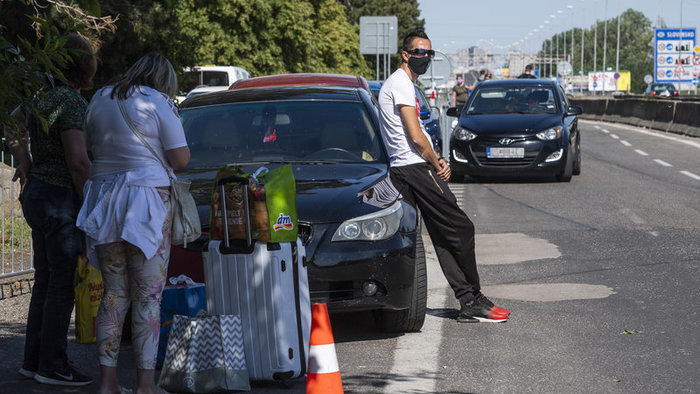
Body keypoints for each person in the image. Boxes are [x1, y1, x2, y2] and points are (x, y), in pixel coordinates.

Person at [377, 30, 510, 323]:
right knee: (461, 228)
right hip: (413, 167)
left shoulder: (404, 84)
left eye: (429, 53)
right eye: (419, 52)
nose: (424, 57)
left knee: (441, 233)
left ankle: (468, 300)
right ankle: (473, 296)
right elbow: (415, 136)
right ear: (406, 54)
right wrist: (435, 161)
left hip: (409, 167)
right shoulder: (400, 84)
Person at [76, 53, 190, 394]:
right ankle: (145, 385)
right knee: (147, 297)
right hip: (147, 205)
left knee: (113, 295)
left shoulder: (99, 98)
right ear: (163, 80)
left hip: (104, 201)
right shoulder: (157, 101)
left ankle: (107, 383)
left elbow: (91, 148)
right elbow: (180, 158)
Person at [3, 33, 96, 386]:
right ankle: (53, 365)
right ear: (84, 66)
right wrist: (90, 202)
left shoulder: (40, 95)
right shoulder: (71, 102)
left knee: (44, 280)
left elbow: (10, 123)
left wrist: (25, 160)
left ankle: (33, 361)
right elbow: (77, 161)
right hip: (59, 198)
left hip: (37, 194)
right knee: (61, 284)